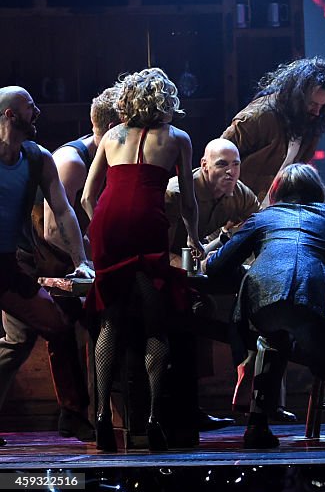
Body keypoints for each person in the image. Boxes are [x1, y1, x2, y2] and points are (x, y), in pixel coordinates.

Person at [82, 68, 205, 452]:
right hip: (148, 226)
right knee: (156, 325)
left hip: (109, 224)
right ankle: (153, 420)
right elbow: (186, 200)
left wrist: (100, 230)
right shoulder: (177, 138)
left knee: (110, 322)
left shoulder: (112, 136)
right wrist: (196, 240)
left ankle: (103, 417)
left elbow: (87, 197)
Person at [204, 164, 325, 449]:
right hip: (312, 298)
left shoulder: (263, 218)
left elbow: (217, 265)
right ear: (317, 190)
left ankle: (257, 425)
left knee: (271, 339)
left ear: (277, 191)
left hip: (263, 297)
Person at [0, 86, 118, 443]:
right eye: (30, 107)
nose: (37, 112)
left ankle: (72, 413)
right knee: (20, 342)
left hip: (9, 266)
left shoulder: (37, 158)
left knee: (56, 325)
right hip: (14, 263)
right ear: (9, 115)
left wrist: (82, 261)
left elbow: (64, 211)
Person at [165, 137, 260, 431]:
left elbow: (255, 230)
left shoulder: (241, 195)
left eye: (236, 165)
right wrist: (193, 265)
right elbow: (158, 249)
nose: (231, 172)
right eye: (222, 165)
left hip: (199, 265)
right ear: (204, 166)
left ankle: (249, 369)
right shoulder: (177, 193)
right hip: (165, 269)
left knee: (250, 288)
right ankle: (182, 409)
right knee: (192, 313)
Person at [222, 57, 325, 205]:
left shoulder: (310, 125)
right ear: (297, 96)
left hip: (274, 215)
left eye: (322, 106)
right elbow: (219, 158)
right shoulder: (259, 116)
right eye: (312, 103)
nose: (316, 112)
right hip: (237, 214)